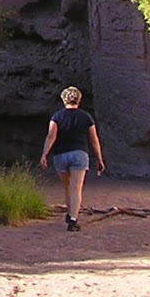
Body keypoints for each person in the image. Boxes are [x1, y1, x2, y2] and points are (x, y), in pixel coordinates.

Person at [40, 86, 104, 231]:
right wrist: (99, 159)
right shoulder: (86, 117)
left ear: (64, 100)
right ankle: (73, 219)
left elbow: (51, 136)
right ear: (79, 100)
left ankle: (70, 213)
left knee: (67, 186)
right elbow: (94, 140)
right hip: (80, 154)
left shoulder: (57, 116)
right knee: (76, 188)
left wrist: (44, 154)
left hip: (60, 155)